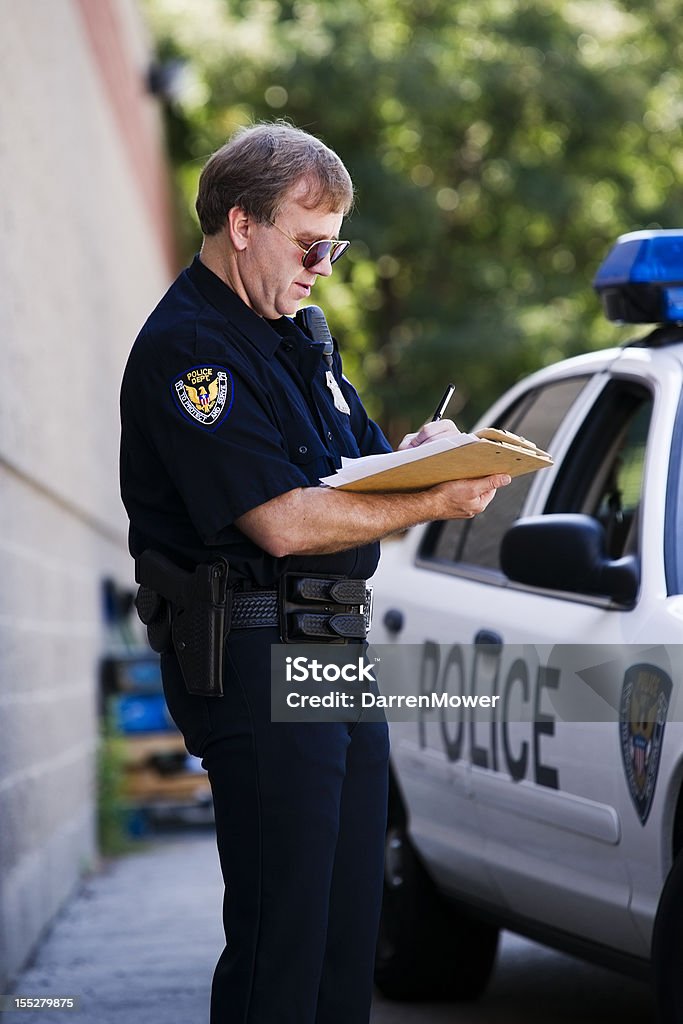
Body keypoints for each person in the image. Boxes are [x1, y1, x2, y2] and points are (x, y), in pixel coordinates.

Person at [119, 120, 510, 1024]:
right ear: (240, 224)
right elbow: (286, 524)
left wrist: (423, 459)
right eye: (309, 242)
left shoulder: (301, 341)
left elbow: (355, 474)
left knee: (346, 936)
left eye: (335, 243)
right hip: (254, 650)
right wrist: (434, 503)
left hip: (333, 647)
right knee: (281, 942)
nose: (325, 265)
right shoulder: (192, 351)